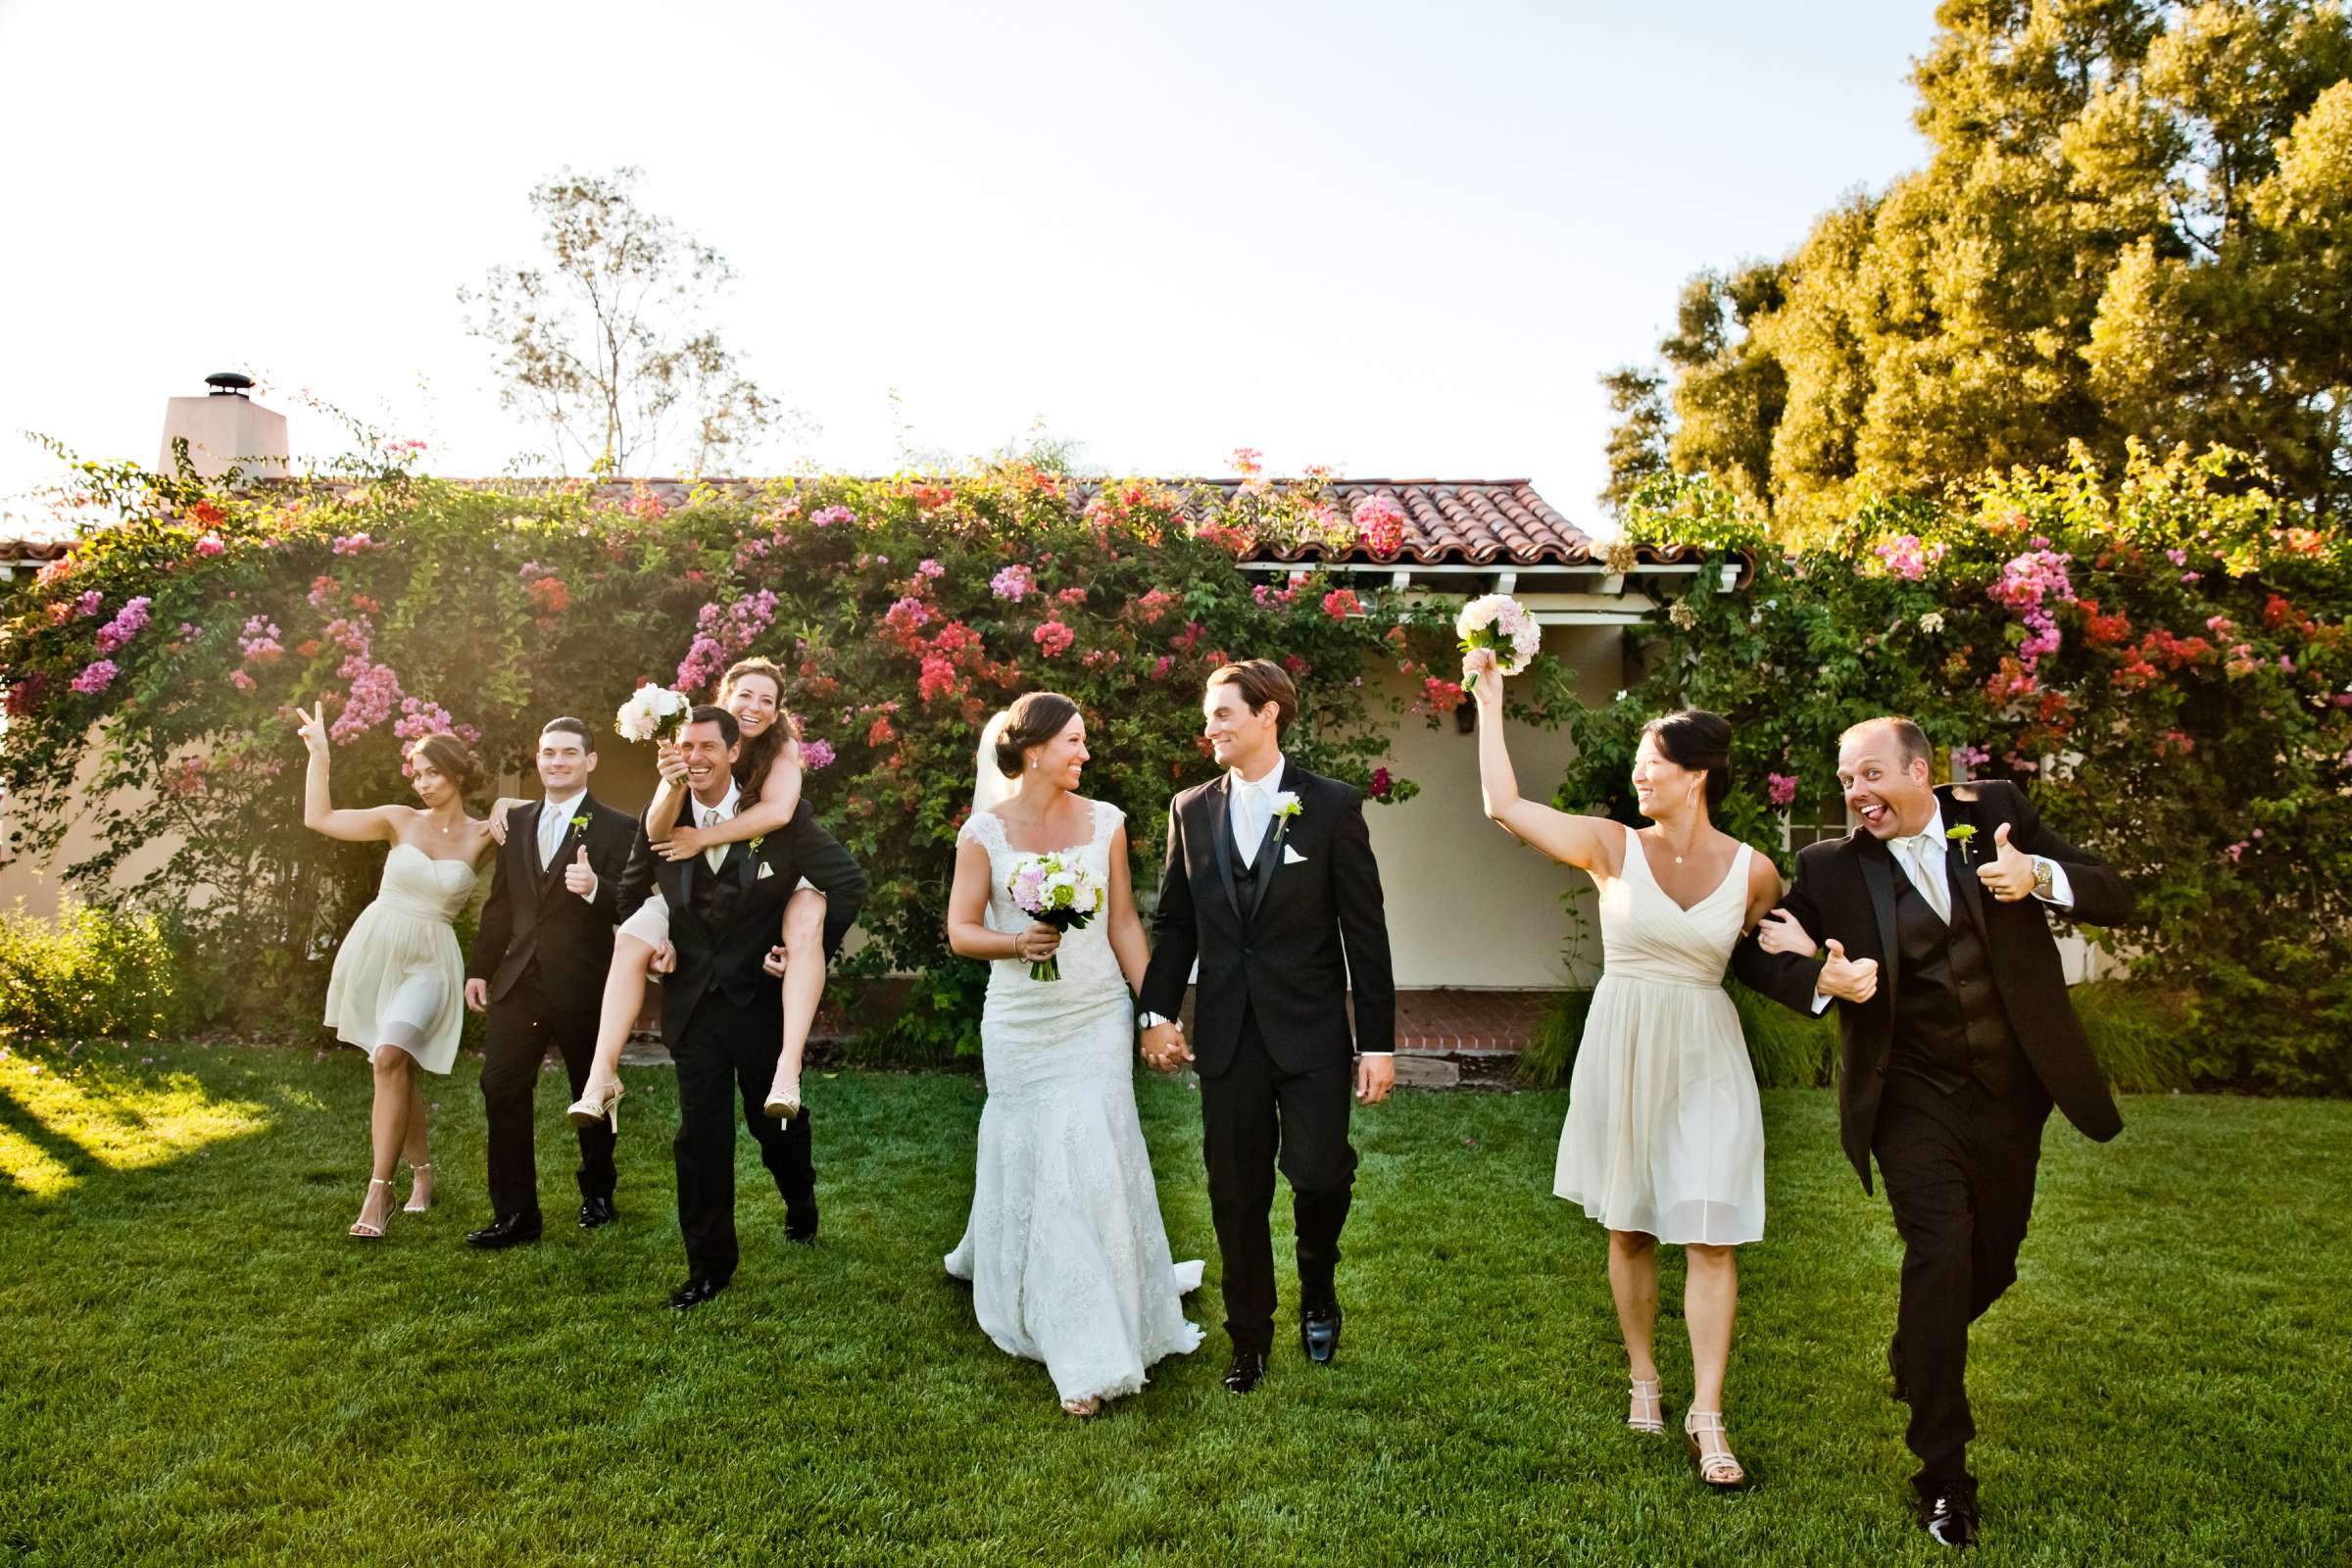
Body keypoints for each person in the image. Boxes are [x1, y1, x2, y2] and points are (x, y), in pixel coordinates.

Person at [1733, 715, 2136, 1548]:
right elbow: (1755, 953)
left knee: (1993, 1261)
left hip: (2011, 1094)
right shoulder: (1829, 869)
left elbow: (2118, 890)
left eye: (1871, 774)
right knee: (1941, 1253)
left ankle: (1919, 1349)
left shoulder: (1995, 814)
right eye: (1846, 779)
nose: (1856, 793)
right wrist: (1823, 975)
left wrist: (2040, 877)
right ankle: (1944, 1475)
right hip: (1909, 1098)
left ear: (1922, 773)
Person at [1467, 651, 1782, 1489]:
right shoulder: (1611, 847)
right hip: (1625, 1044)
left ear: (1697, 776)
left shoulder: (1756, 871)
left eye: (1654, 764)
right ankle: (1644, 1372)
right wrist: (1491, 703)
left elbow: (1769, 952)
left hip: (1707, 1053)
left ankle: (1706, 1413)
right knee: (1632, 1226)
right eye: (1639, 763)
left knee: (1711, 1232)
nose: (1639, 775)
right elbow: (1504, 806)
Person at [1139, 659, 1396, 1395]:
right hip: (1228, 1036)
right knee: (1235, 1193)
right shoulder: (1190, 808)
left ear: (1267, 715)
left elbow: (1364, 931)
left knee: (1318, 1176)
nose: (1209, 727)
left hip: (1312, 1032)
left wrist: (1374, 1041)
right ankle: (1247, 1338)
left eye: (1223, 713)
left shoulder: (1333, 806)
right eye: (1209, 714)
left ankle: (1319, 1285)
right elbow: (1176, 922)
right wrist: (1156, 1012)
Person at [943, 692, 1203, 1417]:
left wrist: (1154, 1012)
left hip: (1094, 1014)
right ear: (1034, 751)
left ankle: (1092, 1337)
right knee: (1037, 1149)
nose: (1085, 754)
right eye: (1075, 742)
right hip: (1021, 1021)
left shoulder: (1107, 823)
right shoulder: (984, 834)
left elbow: (1123, 922)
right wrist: (1014, 942)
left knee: (1086, 1147)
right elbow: (963, 930)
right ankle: (1038, 1294)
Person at [619, 704, 866, 1308]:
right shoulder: (662, 818)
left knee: (771, 1124)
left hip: (759, 1002)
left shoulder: (779, 823)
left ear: (734, 753)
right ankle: (708, 1267)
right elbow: (628, 893)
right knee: (700, 1136)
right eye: (687, 746)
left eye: (709, 747)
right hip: (694, 1005)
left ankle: (798, 1196)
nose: (697, 757)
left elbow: (849, 882)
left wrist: (806, 945)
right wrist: (655, 948)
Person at [549, 658, 829, 1132]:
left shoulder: (781, 749)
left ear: (778, 712)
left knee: (805, 922)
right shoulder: (695, 742)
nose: (755, 707)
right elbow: (656, 833)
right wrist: (673, 777)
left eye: (767, 700)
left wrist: (702, 838)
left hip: (769, 880)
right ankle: (602, 1077)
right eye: (745, 695)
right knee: (632, 936)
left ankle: (788, 1071)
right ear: (724, 696)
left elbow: (779, 812)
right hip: (694, 896)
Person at [299, 705, 495, 1241]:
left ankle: (378, 1190)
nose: (423, 783)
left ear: (457, 774)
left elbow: (545, 809)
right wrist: (320, 756)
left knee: (388, 1057)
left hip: (431, 961)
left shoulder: (485, 833)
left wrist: (505, 804)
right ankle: (424, 1177)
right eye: (418, 772)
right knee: (393, 1065)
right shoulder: (398, 820)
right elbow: (320, 819)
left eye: (433, 772)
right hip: (377, 947)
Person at [461, 716, 639, 1249]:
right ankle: (516, 1214)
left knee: (593, 1086)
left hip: (586, 981)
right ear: (538, 760)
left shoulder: (618, 827)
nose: (556, 762)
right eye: (547, 753)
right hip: (519, 981)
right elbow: (500, 907)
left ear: (590, 761)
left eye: (568, 753)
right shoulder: (516, 824)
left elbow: (634, 905)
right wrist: (479, 969)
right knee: (501, 1085)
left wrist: (594, 889)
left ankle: (598, 1192)